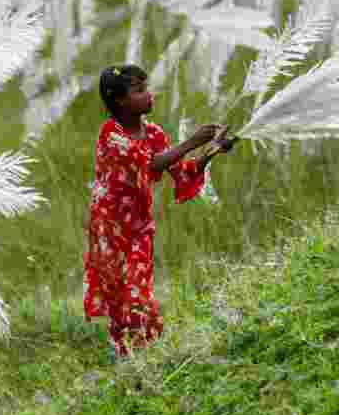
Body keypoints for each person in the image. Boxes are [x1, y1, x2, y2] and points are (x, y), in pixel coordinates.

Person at [83, 64, 235, 359]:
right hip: (110, 231)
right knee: (119, 299)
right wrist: (193, 140)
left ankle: (143, 356)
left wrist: (213, 149)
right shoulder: (110, 135)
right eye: (139, 91)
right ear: (119, 101)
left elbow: (183, 172)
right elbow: (149, 165)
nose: (148, 95)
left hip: (138, 228)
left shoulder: (153, 133)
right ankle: (130, 360)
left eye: (146, 87)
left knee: (137, 293)